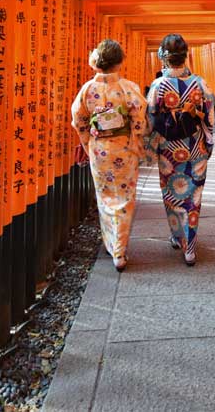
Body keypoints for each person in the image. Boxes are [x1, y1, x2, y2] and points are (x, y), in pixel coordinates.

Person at [71, 39, 149, 271]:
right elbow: (139, 116)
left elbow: (78, 119)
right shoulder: (128, 88)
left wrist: (88, 143)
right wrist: (136, 141)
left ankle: (113, 245)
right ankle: (119, 250)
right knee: (125, 198)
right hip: (125, 148)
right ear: (120, 61)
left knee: (105, 197)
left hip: (100, 150)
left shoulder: (88, 89)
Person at [146, 34, 215, 265]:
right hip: (195, 148)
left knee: (172, 194)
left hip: (168, 150)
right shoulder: (200, 83)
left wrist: (149, 148)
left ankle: (178, 236)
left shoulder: (158, 85)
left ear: (164, 58)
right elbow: (210, 116)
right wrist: (210, 142)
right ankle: (190, 246)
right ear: (186, 56)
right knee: (193, 197)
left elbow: (151, 118)